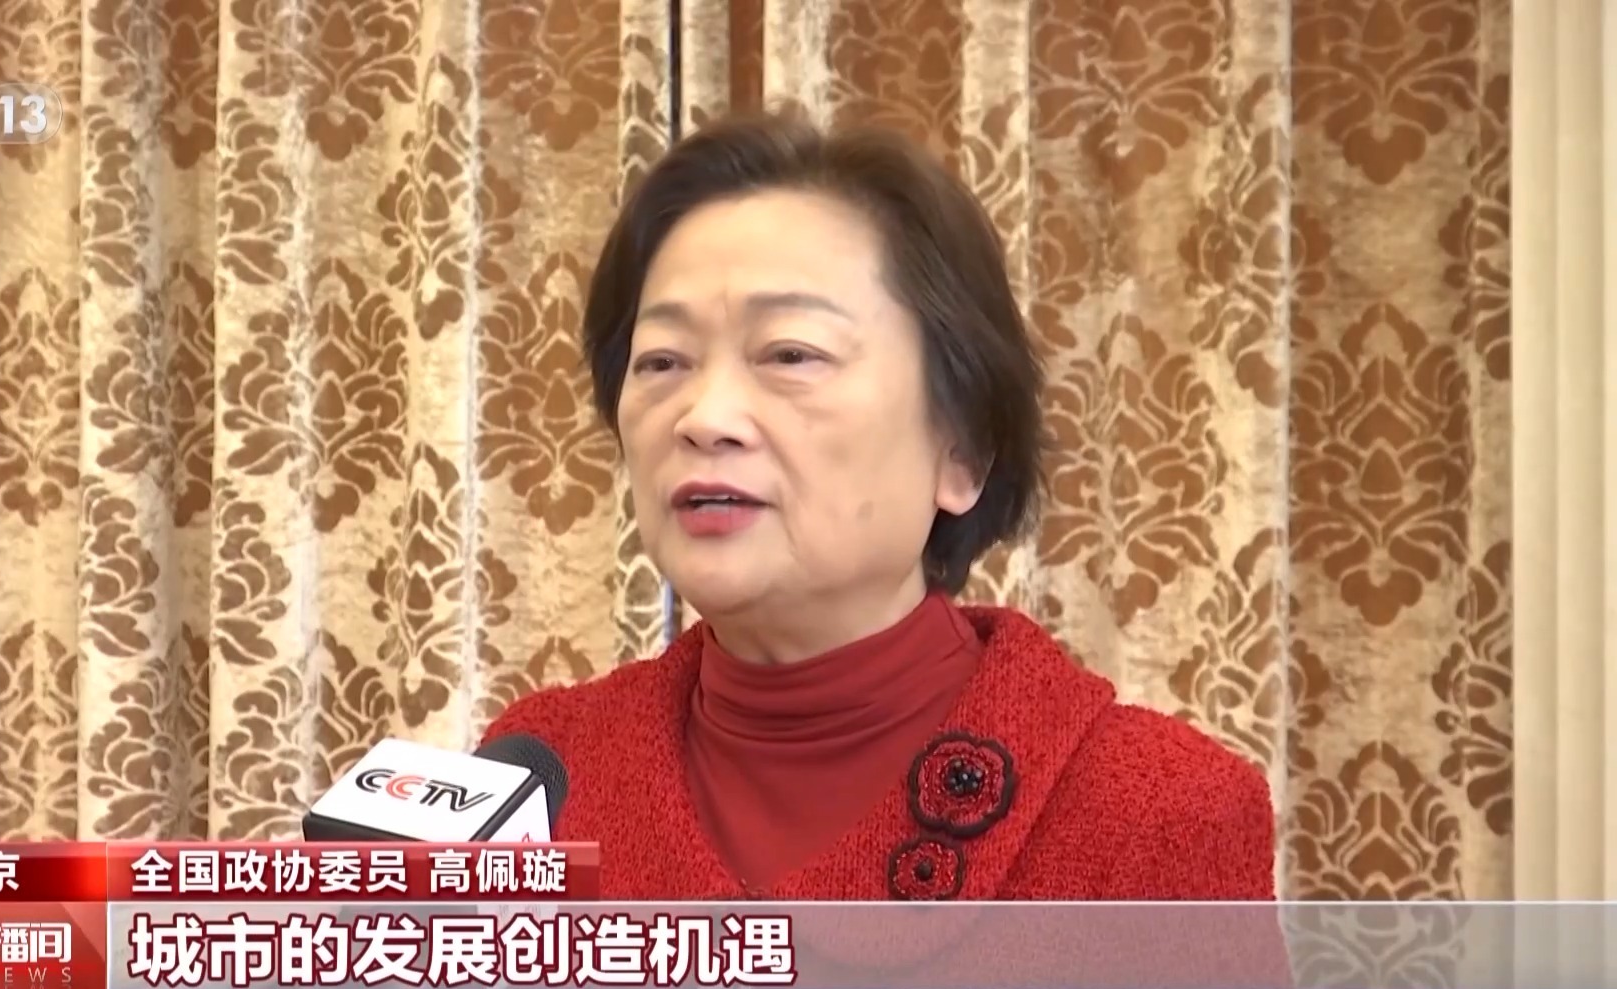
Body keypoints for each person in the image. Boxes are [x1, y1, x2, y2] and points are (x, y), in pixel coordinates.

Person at [483, 105, 1277, 902]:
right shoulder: (536, 778)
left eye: (791, 354)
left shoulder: (1158, 818)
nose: (704, 417)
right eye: (662, 361)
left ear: (963, 450)